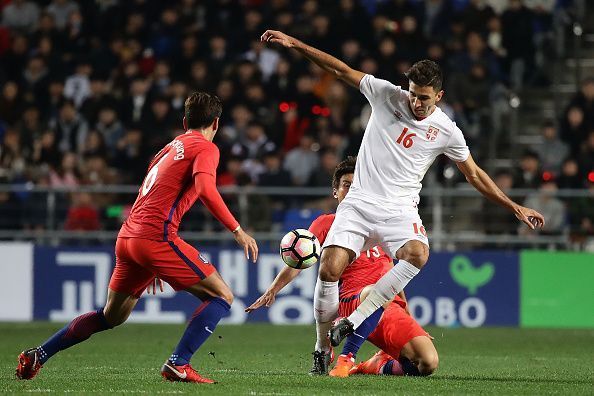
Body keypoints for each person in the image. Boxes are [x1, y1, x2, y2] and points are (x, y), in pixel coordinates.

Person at [260, 29, 545, 374]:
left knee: (418, 254)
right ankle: (322, 347)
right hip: (360, 201)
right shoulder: (385, 95)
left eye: (425, 97)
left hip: (399, 209)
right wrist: (295, 44)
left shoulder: (446, 130)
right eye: (413, 94)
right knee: (330, 267)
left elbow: (474, 174)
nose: (416, 103)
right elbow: (340, 70)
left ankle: (355, 322)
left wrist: (515, 207)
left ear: (439, 96)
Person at [15, 92, 259, 384]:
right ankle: (178, 364)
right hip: (154, 237)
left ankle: (37, 355)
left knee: (111, 316)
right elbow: (206, 190)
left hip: (129, 236)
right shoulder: (205, 148)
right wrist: (237, 230)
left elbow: (149, 194)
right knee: (222, 296)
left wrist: (151, 262)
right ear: (216, 124)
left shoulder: (167, 149)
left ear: (184, 121)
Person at [246, 157, 438, 377]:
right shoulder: (326, 223)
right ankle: (345, 360)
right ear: (335, 191)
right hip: (353, 302)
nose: (352, 190)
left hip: (387, 303)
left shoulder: (385, 223)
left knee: (427, 364)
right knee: (373, 294)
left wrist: (408, 314)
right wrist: (272, 290)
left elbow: (396, 274)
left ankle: (374, 366)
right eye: (347, 185)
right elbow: (300, 261)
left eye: (358, 186)